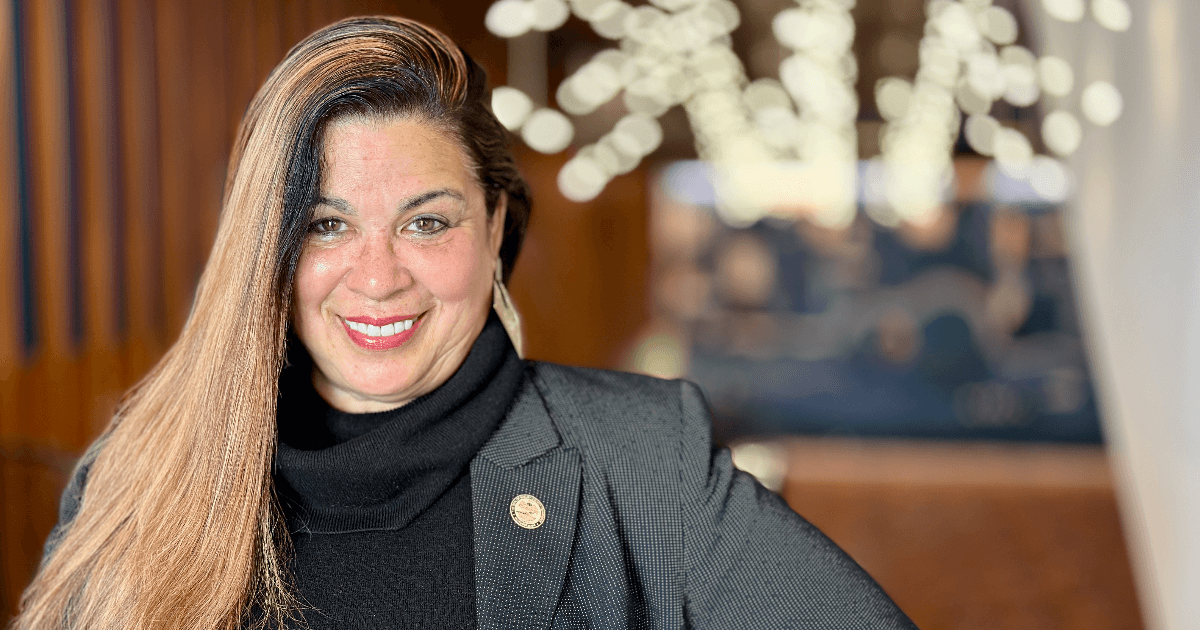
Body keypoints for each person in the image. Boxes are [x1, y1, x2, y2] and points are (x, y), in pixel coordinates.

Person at [14, 16, 918, 630]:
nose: (377, 277)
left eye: (427, 223)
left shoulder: (643, 457)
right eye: (325, 225)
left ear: (494, 229)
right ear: (268, 250)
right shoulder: (139, 473)